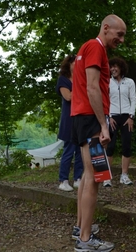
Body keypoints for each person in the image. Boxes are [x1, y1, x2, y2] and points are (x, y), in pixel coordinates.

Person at [70, 14, 126, 252]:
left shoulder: (86, 47)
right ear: (106, 28)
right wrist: (103, 125)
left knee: (86, 176)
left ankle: (80, 228)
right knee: (96, 177)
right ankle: (84, 241)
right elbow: (93, 87)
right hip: (91, 120)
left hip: (82, 117)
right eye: (119, 34)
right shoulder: (96, 47)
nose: (121, 40)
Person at [103, 57, 136, 187]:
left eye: (115, 66)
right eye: (111, 67)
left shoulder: (129, 82)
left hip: (126, 117)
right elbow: (104, 100)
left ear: (121, 68)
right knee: (110, 147)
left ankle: (124, 175)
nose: (113, 69)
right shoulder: (107, 82)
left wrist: (131, 117)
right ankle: (107, 177)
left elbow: (133, 99)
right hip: (112, 117)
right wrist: (109, 116)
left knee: (126, 146)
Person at [56, 55, 84, 192]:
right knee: (69, 150)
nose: (78, 64)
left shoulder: (81, 79)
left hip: (81, 119)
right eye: (75, 62)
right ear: (69, 64)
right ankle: (63, 180)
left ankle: (78, 178)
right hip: (69, 120)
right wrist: (81, 91)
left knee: (80, 150)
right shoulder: (63, 80)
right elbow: (68, 96)